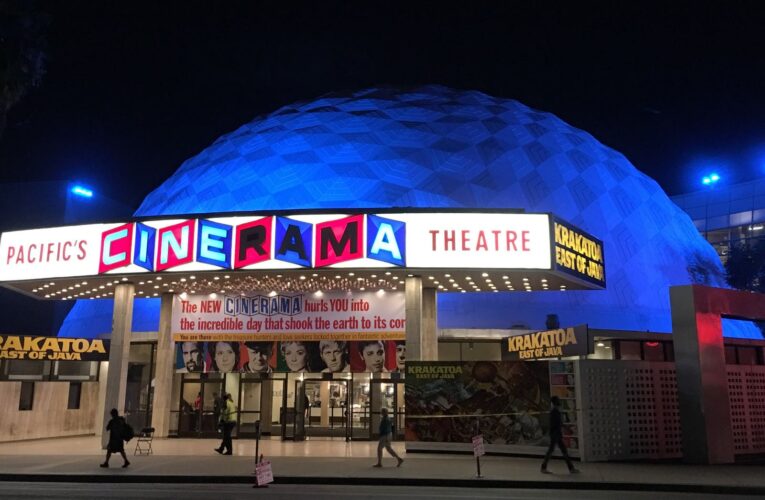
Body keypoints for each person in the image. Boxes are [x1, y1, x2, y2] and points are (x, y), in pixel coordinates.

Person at [541, 396, 579, 474]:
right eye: (558, 400)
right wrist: (564, 429)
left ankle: (571, 468)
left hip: (556, 434)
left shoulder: (555, 411)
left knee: (557, 451)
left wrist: (565, 428)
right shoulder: (554, 411)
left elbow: (559, 423)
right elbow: (556, 423)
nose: (559, 401)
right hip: (555, 434)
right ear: (556, 402)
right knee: (556, 451)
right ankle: (543, 467)